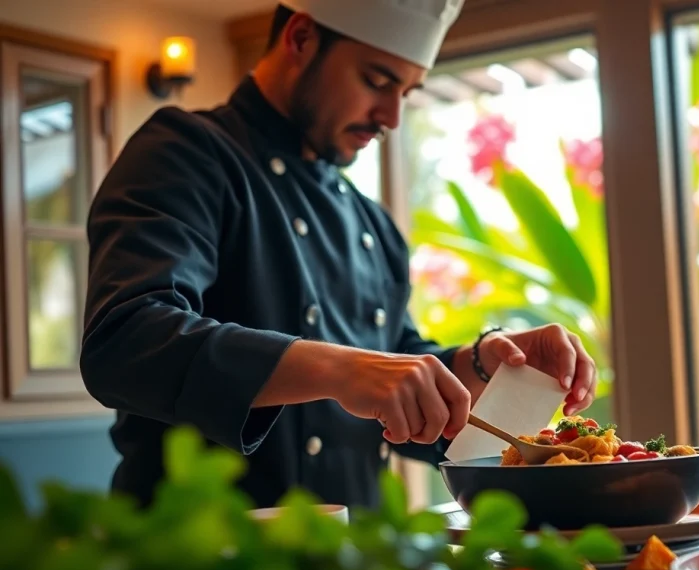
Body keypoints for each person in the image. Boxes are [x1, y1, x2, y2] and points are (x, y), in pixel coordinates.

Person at [80, 0, 597, 511]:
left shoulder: (371, 222)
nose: (391, 115)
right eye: (377, 81)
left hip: (353, 556)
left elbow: (395, 366)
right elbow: (124, 340)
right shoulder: (185, 151)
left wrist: (486, 362)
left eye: (406, 92)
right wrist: (339, 369)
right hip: (204, 554)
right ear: (301, 38)